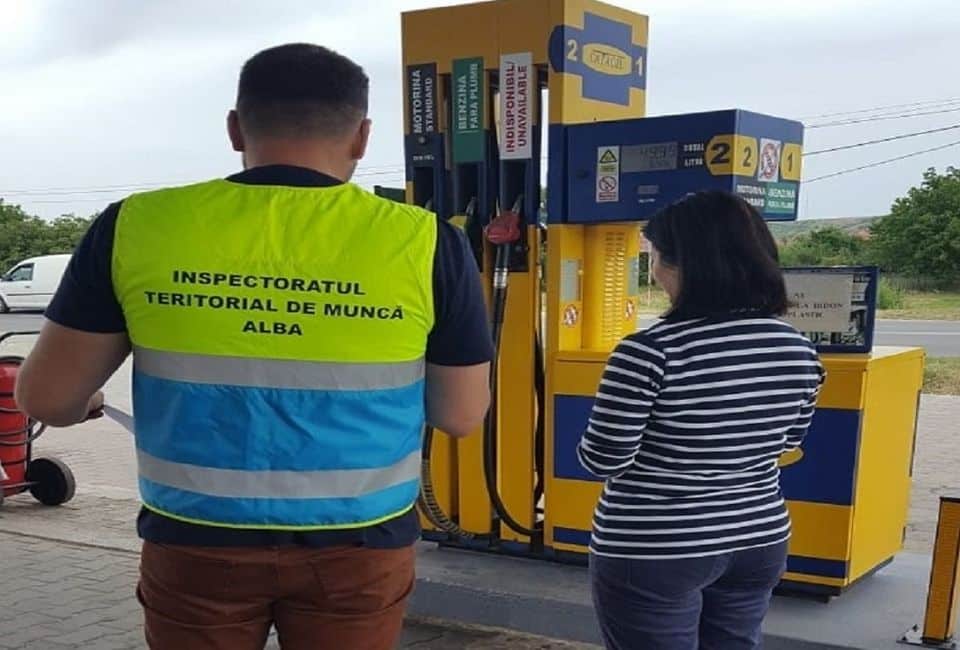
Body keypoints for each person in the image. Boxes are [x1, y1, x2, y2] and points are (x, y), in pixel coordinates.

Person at [15, 43, 493, 650]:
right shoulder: (424, 241)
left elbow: (47, 400)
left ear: (236, 129)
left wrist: (82, 401)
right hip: (359, 542)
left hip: (195, 536)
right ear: (362, 137)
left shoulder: (137, 225)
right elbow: (460, 414)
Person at [578, 191, 824, 650]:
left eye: (655, 257)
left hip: (656, 547)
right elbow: (789, 440)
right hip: (757, 536)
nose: (654, 270)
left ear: (683, 265)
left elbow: (603, 460)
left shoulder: (648, 351)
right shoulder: (796, 347)